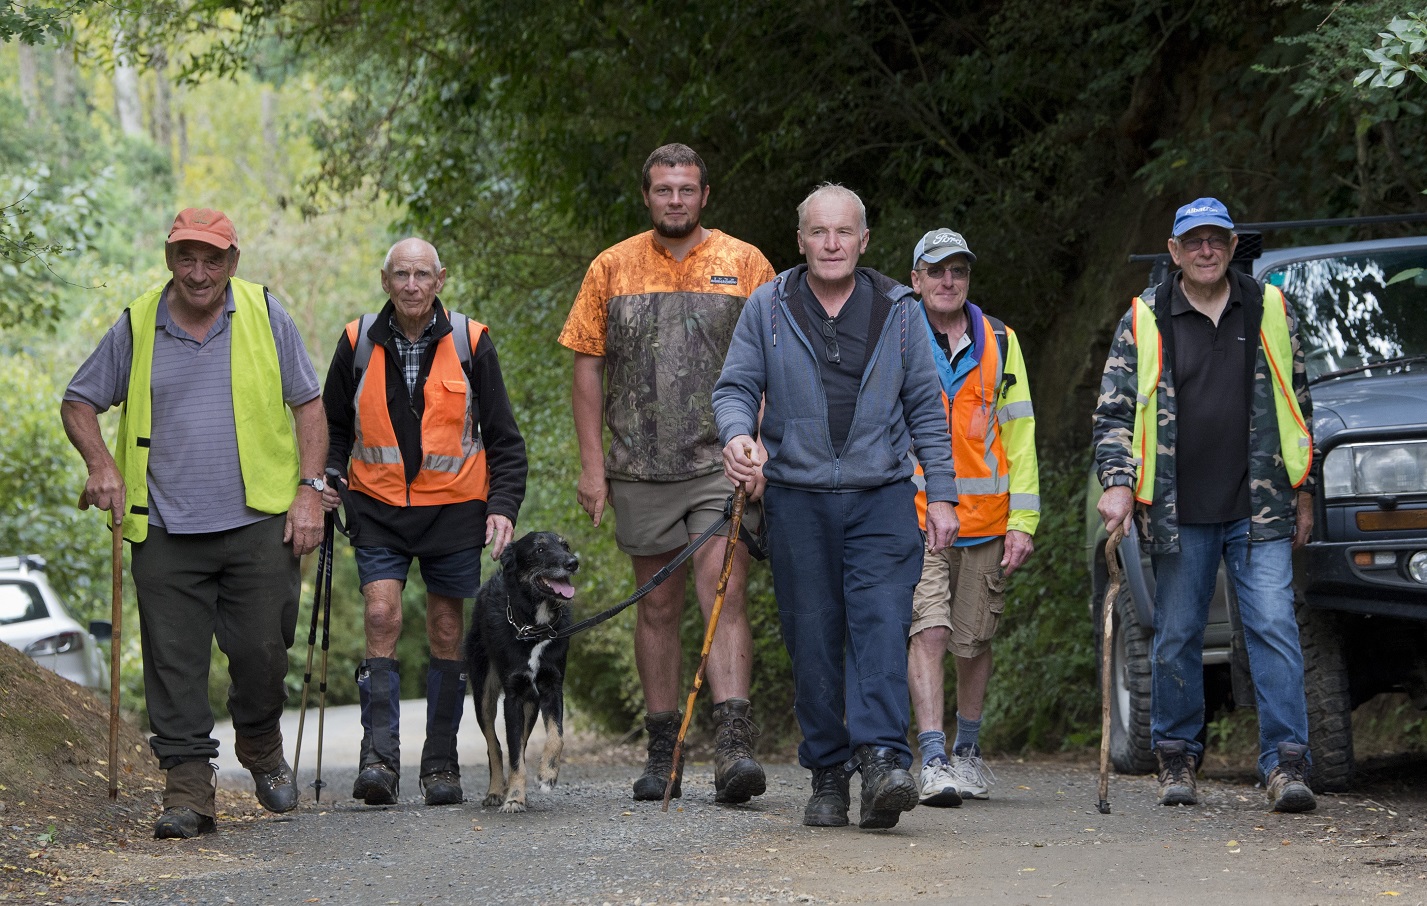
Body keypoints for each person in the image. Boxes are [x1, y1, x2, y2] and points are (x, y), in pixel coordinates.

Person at [61, 208, 327, 839]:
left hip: (259, 522)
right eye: (187, 257)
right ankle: (187, 790)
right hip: (164, 528)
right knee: (173, 663)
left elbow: (309, 407)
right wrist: (101, 465)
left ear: (232, 263)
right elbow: (79, 401)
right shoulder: (137, 321)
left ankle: (260, 744)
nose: (199, 272)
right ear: (169, 259)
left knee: (263, 650)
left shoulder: (266, 313)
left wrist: (309, 492)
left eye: (212, 259)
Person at [714, 184, 959, 830]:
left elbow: (927, 412)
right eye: (818, 232)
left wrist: (943, 496)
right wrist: (739, 436)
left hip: (881, 498)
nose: (830, 243)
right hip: (796, 501)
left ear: (863, 241)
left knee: (880, 624)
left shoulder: (899, 310)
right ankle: (827, 772)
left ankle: (881, 760)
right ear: (799, 241)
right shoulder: (767, 307)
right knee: (813, 637)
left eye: (842, 232)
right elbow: (735, 386)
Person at [558, 143, 776, 804]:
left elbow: (776, 360)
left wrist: (760, 444)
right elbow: (586, 365)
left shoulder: (746, 264)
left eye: (685, 189)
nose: (674, 200)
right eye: (662, 190)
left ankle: (733, 743)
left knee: (722, 589)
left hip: (722, 461)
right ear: (647, 196)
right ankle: (664, 748)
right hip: (638, 465)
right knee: (655, 604)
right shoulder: (611, 268)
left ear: (704, 195)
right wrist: (593, 470)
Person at [1092, 197, 1317, 813]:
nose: (1206, 250)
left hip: (1261, 503)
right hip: (1175, 510)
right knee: (1177, 634)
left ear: (1232, 243)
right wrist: (1117, 482)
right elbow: (1112, 414)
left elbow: (1298, 404)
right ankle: (1176, 759)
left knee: (1273, 626)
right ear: (1174, 251)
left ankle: (1286, 763)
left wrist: (1304, 492)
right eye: (1194, 242)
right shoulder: (1144, 318)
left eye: (1217, 239)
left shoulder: (1269, 306)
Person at [322, 237, 527, 808]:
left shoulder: (471, 341)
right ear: (384, 280)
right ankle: (379, 760)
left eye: (422, 275)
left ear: (441, 279)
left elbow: (506, 439)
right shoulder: (356, 340)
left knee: (444, 629)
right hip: (378, 506)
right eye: (401, 275)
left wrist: (502, 507)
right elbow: (333, 425)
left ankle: (440, 765)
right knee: (381, 613)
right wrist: (330, 475)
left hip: (455, 508)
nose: (411, 285)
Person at [904, 229, 1039, 807]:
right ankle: (932, 757)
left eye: (957, 270)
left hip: (987, 518)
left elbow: (1022, 434)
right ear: (916, 280)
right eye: (935, 271)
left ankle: (969, 752)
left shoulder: (1001, 341)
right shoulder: (895, 337)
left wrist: (1023, 521)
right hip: (914, 517)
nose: (947, 281)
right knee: (927, 630)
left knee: (973, 641)